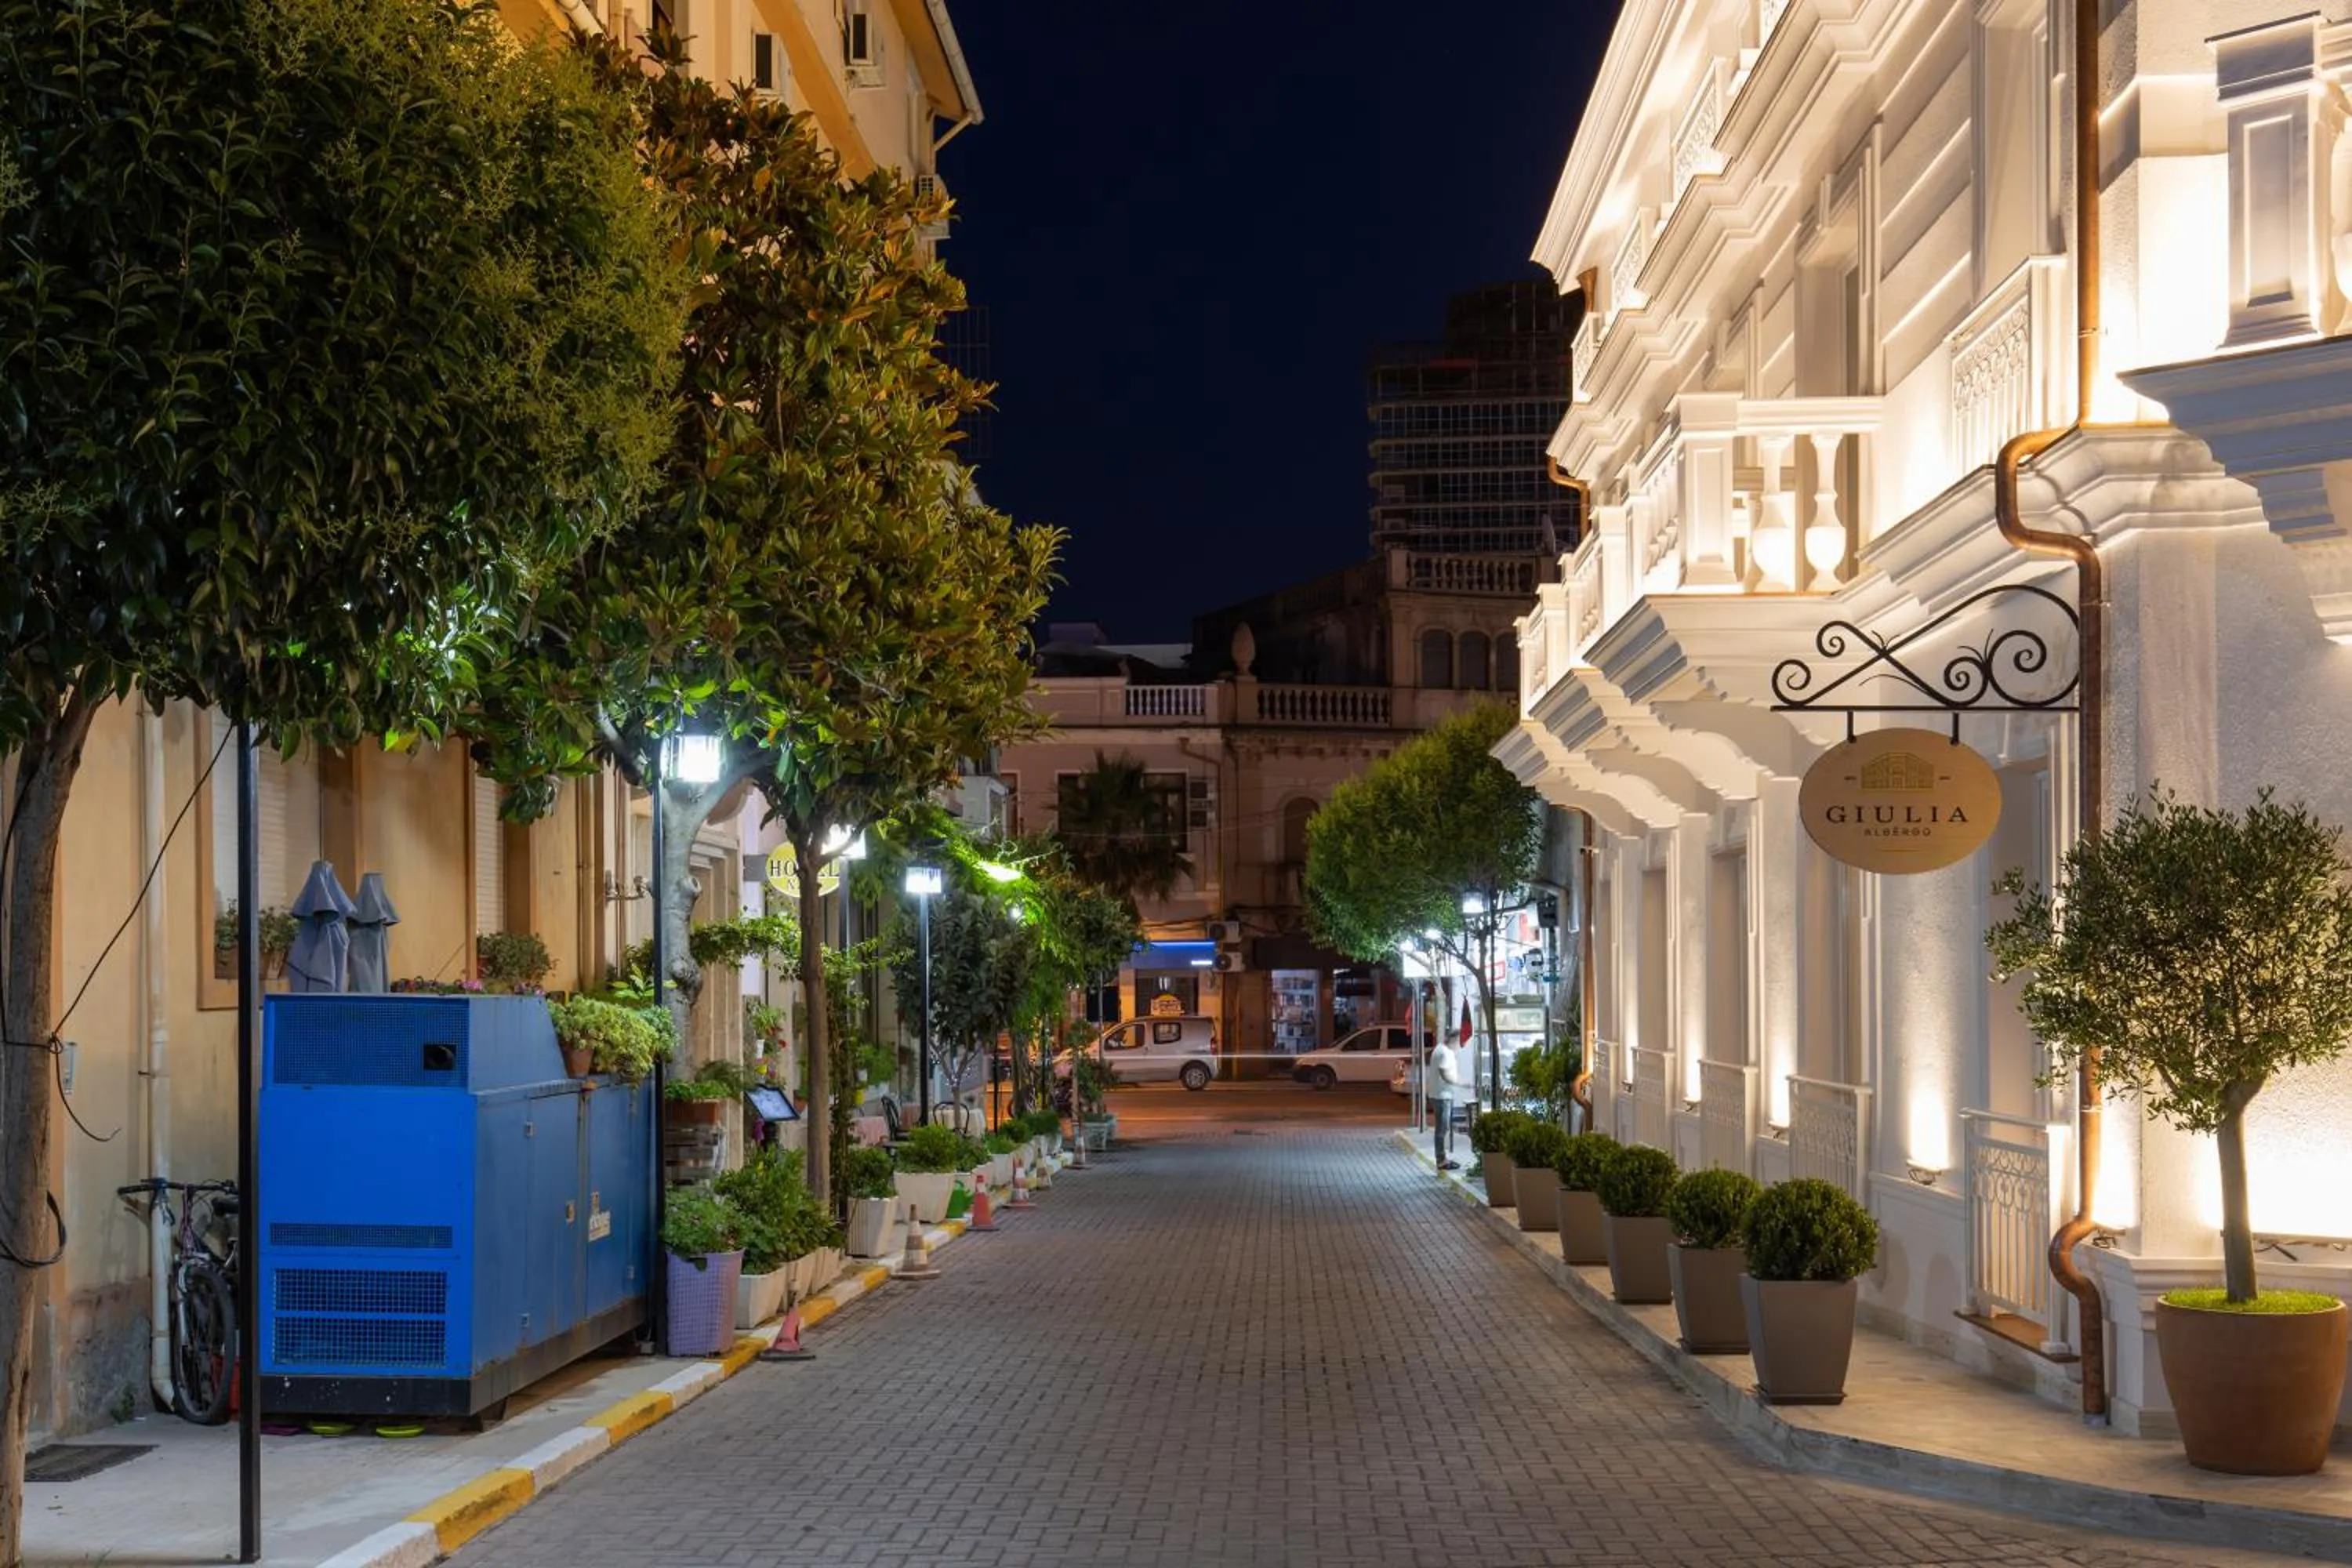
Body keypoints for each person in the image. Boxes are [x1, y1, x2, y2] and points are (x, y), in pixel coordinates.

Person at [1425, 1033, 1468, 1171]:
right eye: (1459, 1043)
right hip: (1443, 1096)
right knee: (1442, 1129)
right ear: (1454, 1040)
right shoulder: (1445, 1053)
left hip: (1437, 1094)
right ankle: (1441, 1160)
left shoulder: (1440, 1048)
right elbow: (1444, 1073)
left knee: (1441, 1128)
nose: (1459, 1047)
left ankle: (1442, 1158)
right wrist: (1461, 1083)